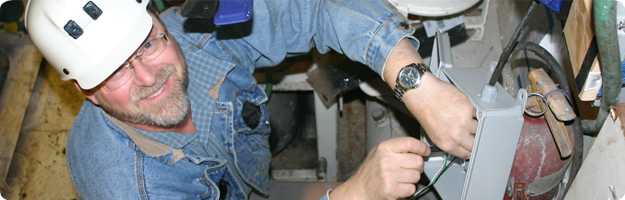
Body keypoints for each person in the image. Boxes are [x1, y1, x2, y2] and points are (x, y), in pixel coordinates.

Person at [24, 0, 476, 199]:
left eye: (148, 43)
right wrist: (354, 194)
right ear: (87, 93)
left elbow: (314, 7)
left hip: (252, 180)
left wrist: (416, 85)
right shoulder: (129, 188)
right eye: (114, 71)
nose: (149, 75)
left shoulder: (191, 33)